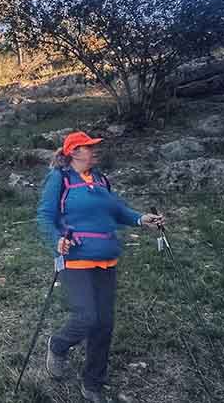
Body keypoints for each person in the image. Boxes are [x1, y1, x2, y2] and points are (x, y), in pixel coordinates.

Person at [36, 131, 165, 403]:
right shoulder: (60, 179)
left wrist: (142, 219)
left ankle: (92, 382)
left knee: (104, 324)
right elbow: (45, 216)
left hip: (107, 259)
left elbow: (118, 210)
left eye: (94, 146)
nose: (95, 150)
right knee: (87, 317)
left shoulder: (100, 180)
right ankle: (58, 345)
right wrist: (56, 240)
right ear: (73, 153)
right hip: (76, 259)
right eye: (88, 147)